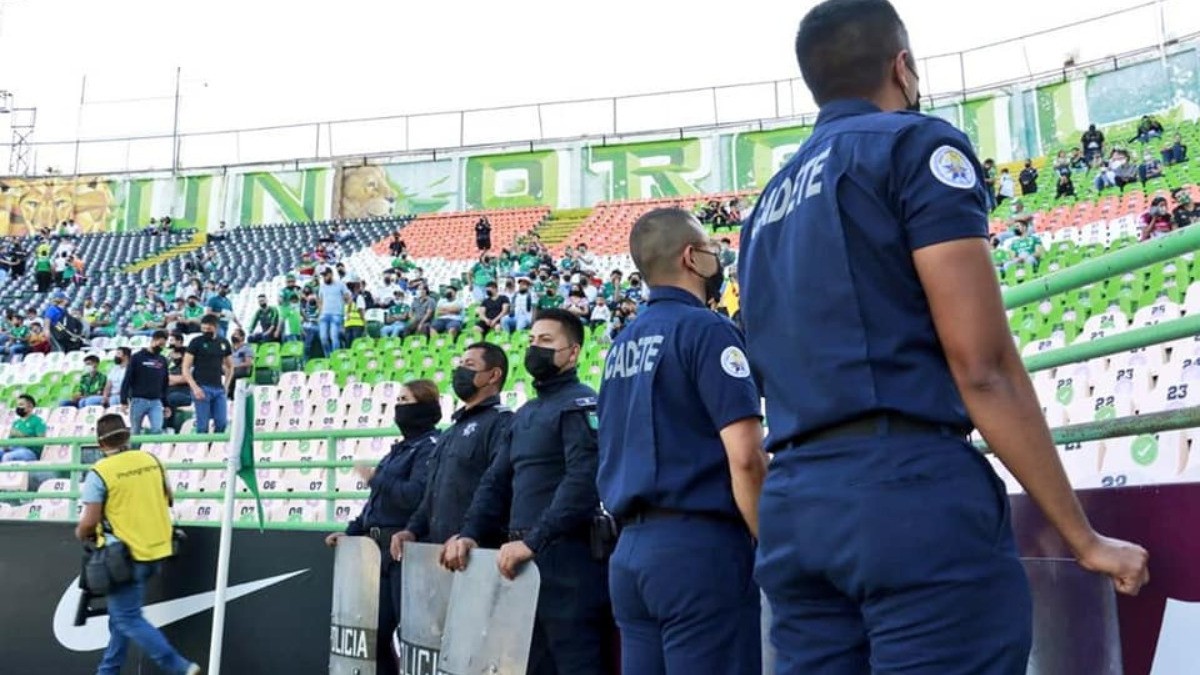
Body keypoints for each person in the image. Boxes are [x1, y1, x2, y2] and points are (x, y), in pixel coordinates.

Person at [738, 2, 1150, 674]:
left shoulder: (765, 206)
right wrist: (1084, 537)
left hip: (796, 507)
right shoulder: (913, 144)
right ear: (902, 67)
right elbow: (981, 364)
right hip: (905, 493)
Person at [597, 208, 768, 675]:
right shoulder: (707, 330)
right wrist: (771, 543)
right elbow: (747, 457)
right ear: (693, 258)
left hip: (629, 552)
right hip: (699, 548)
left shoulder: (621, 344)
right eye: (712, 249)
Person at [440, 309, 611, 675]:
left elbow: (583, 481)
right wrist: (470, 532)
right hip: (518, 563)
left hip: (567, 561)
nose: (535, 348)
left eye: (546, 341)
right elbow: (495, 481)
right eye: (532, 340)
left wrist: (535, 541)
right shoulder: (525, 413)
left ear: (573, 353)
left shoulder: (581, 402)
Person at [325, 379, 441, 675]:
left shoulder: (430, 447)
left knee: (414, 638)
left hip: (408, 550)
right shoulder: (398, 450)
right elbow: (376, 503)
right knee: (374, 635)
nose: (399, 407)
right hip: (378, 553)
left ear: (426, 406)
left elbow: (414, 497)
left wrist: (376, 477)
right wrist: (351, 532)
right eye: (398, 400)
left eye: (406, 401)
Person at [75, 414, 200, 675]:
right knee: (120, 617)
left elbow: (89, 522)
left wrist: (82, 533)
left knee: (127, 617)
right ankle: (108, 670)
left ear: (100, 444)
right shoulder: (152, 460)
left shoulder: (100, 471)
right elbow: (170, 499)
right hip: (158, 550)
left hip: (123, 558)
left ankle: (180, 667)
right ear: (128, 436)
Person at [391, 343, 514, 559]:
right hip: (440, 554)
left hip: (477, 554)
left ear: (493, 375)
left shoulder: (501, 423)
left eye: (469, 364)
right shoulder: (450, 432)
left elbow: (497, 487)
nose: (460, 370)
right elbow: (432, 493)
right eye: (459, 364)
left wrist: (470, 533)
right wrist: (412, 530)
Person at [183, 315, 233, 433]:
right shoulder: (196, 342)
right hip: (201, 387)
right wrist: (194, 387)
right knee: (202, 425)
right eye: (203, 329)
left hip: (218, 387)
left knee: (222, 423)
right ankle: (201, 449)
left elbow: (230, 366)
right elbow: (185, 367)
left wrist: (226, 385)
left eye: (209, 329)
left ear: (216, 327)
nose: (206, 332)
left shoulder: (224, 342)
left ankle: (215, 449)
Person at [121, 331, 171, 436]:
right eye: (160, 344)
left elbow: (164, 383)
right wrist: (123, 400)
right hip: (139, 399)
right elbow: (127, 379)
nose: (161, 347)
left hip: (156, 401)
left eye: (163, 345)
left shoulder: (162, 360)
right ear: (153, 340)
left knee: (157, 430)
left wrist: (166, 404)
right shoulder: (137, 357)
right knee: (135, 431)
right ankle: (134, 451)